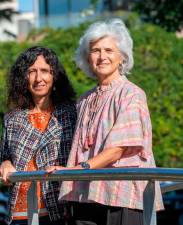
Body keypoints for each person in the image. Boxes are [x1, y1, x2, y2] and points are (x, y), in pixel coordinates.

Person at [46, 19, 164, 225]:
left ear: (122, 57)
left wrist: (81, 168)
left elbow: (118, 149)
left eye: (109, 50)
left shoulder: (131, 94)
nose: (102, 57)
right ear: (87, 58)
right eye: (95, 50)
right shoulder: (84, 100)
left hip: (122, 196)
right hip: (84, 194)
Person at [0, 46, 77, 225]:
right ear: (22, 78)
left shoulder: (71, 113)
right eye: (31, 71)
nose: (38, 78)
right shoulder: (12, 118)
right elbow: (4, 157)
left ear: (54, 76)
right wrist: (5, 163)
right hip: (20, 215)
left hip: (58, 212)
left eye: (44, 71)